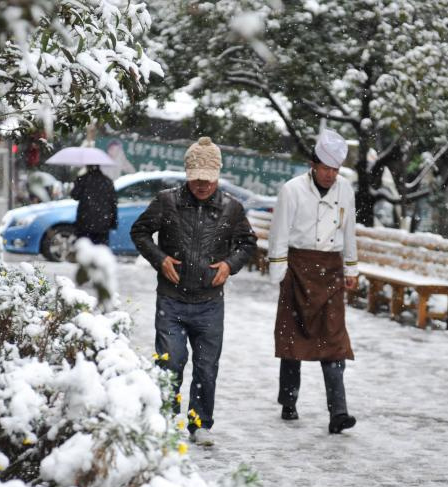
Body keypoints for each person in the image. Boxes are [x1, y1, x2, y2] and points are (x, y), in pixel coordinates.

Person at [130, 137, 257, 446]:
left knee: (206, 367)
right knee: (170, 360)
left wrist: (229, 264)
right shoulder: (167, 201)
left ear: (217, 176)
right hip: (171, 299)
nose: (202, 185)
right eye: (196, 178)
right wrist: (160, 260)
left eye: (208, 179)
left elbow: (248, 243)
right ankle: (166, 419)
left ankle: (200, 423)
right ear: (187, 175)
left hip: (210, 303)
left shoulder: (231, 208)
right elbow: (140, 231)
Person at [267, 128, 359, 435]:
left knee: (335, 342)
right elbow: (278, 232)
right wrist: (279, 273)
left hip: (330, 269)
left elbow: (349, 231)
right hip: (298, 267)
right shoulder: (292, 190)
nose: (330, 175)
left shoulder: (345, 190)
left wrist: (351, 269)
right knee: (293, 339)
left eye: (335, 170)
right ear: (313, 165)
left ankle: (339, 412)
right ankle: (288, 400)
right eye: (326, 168)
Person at [71, 165, 117, 245]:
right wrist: (113, 222)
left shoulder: (83, 179)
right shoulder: (107, 181)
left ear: (87, 167)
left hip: (85, 222)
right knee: (101, 250)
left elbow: (75, 195)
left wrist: (77, 180)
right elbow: (113, 202)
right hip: (103, 222)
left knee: (85, 250)